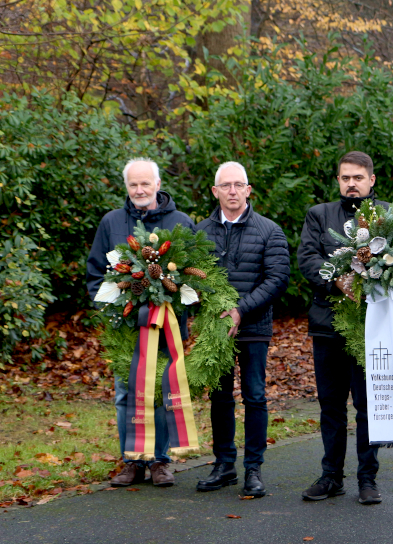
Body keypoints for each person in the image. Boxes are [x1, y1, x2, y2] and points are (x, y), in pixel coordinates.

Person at [86, 158, 194, 487]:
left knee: (160, 394)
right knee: (125, 395)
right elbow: (94, 275)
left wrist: (180, 313)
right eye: (133, 184)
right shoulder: (111, 222)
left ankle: (160, 462)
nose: (139, 190)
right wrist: (111, 309)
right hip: (125, 328)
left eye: (145, 183)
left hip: (164, 328)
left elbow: (192, 277)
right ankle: (132, 461)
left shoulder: (181, 222)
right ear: (126, 187)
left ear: (159, 184)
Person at [297, 151, 389, 505]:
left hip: (372, 326)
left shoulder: (388, 217)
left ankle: (368, 478)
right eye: (345, 178)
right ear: (338, 181)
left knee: (367, 406)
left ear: (371, 180)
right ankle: (331, 475)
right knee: (331, 405)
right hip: (327, 324)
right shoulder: (319, 215)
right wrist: (336, 280)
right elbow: (307, 259)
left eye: (358, 178)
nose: (351, 184)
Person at [195, 161, 290, 498]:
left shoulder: (269, 231)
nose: (232, 191)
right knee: (219, 397)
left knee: (254, 396)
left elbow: (277, 279)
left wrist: (240, 310)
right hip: (216, 330)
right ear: (215, 191)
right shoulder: (200, 232)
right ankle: (224, 465)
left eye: (239, 185)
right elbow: (193, 279)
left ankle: (253, 468)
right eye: (226, 185)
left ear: (249, 190)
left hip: (254, 328)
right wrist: (216, 312)